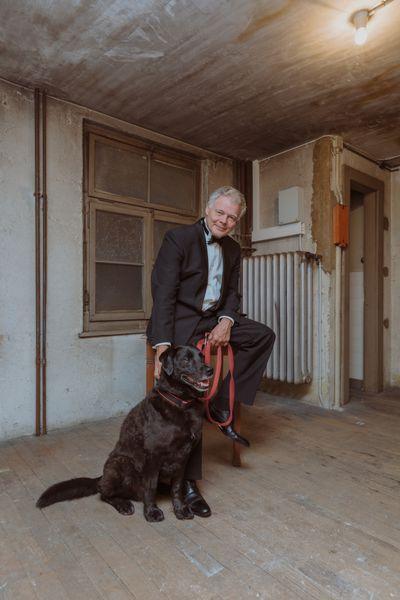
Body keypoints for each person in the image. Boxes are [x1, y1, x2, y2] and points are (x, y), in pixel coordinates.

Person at [147, 186, 275, 517]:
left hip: (214, 319)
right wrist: (162, 347)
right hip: (181, 323)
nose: (224, 220)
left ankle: (221, 405)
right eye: (220, 212)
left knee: (263, 335)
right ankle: (188, 484)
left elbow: (232, 293)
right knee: (190, 394)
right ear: (207, 209)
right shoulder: (179, 239)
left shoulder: (232, 250)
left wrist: (228, 321)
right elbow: (162, 293)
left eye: (232, 217)